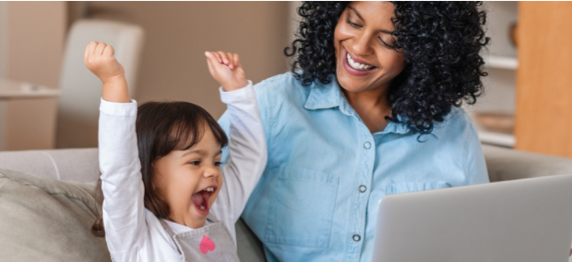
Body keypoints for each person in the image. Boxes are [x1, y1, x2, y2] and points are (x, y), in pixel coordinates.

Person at [217, 0, 491, 261]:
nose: (360, 47)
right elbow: (191, 200)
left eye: (387, 40)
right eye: (354, 22)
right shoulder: (272, 105)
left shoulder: (454, 131)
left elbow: (480, 241)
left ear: (423, 52)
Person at [85, 40, 266, 261]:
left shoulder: (219, 212)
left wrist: (236, 90)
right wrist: (113, 81)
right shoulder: (137, 235)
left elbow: (249, 157)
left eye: (216, 162)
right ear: (147, 171)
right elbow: (119, 170)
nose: (212, 171)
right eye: (195, 162)